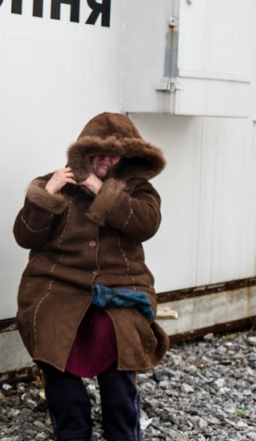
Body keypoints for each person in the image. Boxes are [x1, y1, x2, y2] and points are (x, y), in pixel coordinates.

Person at [13, 112, 169, 441]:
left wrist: (100, 190)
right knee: (55, 346)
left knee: (119, 348)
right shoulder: (56, 183)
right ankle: (72, 432)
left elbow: (146, 224)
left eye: (115, 154)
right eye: (98, 153)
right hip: (57, 288)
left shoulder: (141, 191)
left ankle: (123, 434)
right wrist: (47, 194)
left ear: (128, 157)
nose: (106, 160)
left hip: (122, 290)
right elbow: (25, 236)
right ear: (84, 152)